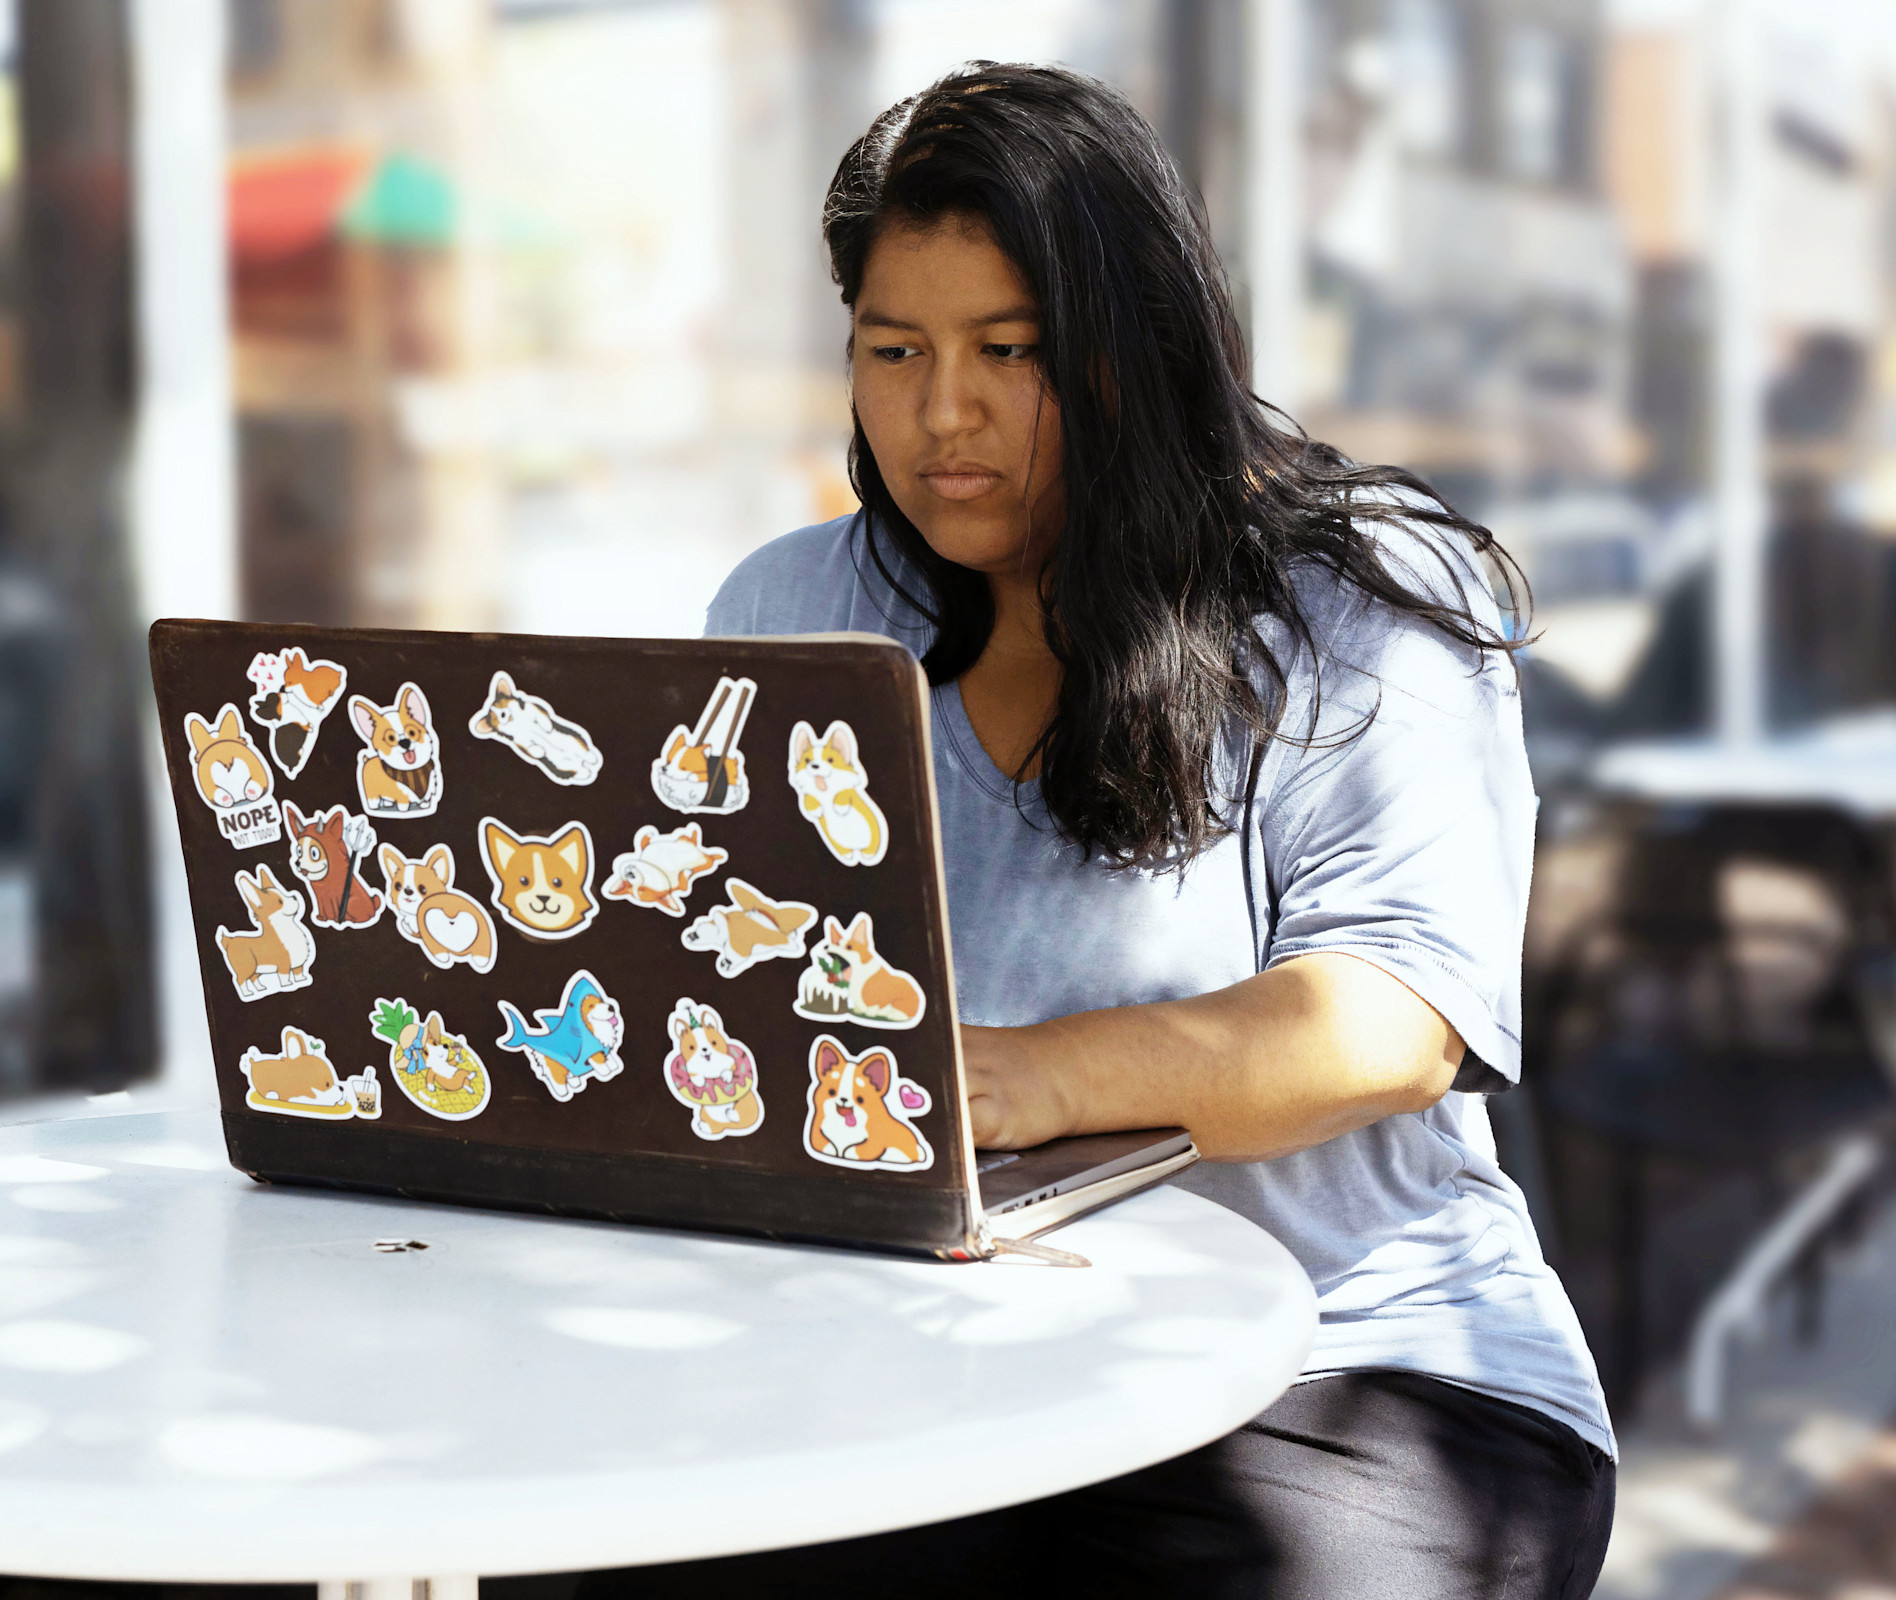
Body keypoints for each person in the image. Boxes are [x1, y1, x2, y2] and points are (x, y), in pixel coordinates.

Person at [580, 62, 1612, 1600]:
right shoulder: (790, 615)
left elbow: (1397, 1025)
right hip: (925, 1364)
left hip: (1353, 1373)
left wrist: (1024, 1081)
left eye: (1011, 350)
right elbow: (714, 994)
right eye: (893, 349)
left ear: (1132, 351)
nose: (944, 414)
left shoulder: (1365, 603)